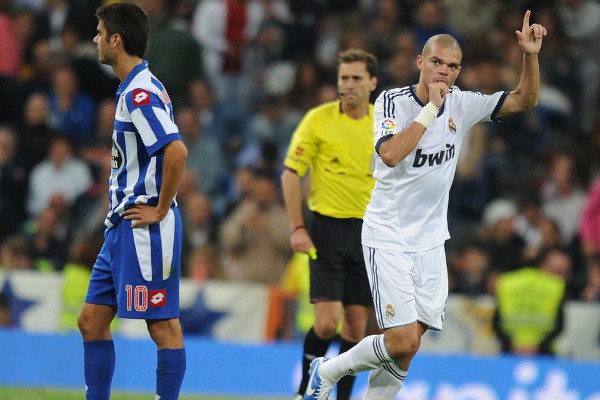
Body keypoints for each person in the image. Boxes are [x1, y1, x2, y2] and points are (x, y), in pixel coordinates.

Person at [304, 10, 547, 400]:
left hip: (431, 242)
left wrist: (530, 57)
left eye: (452, 67)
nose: (443, 72)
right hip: (387, 236)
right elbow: (390, 154)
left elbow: (525, 99)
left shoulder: (463, 105)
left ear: (459, 71)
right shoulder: (391, 102)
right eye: (436, 62)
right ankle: (327, 369)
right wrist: (430, 109)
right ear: (420, 62)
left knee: (407, 352)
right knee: (399, 342)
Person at [76, 4, 188, 400]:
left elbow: (175, 151)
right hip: (121, 225)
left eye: (99, 32)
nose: (95, 39)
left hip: (145, 226)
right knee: (91, 321)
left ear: (115, 40)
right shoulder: (134, 86)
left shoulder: (140, 93)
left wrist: (160, 208)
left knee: (162, 326)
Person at [281, 48, 379, 400]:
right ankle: (305, 391)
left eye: (356, 78)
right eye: (343, 78)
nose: (348, 85)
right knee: (326, 323)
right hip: (326, 229)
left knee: (355, 325)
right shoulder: (318, 120)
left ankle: (341, 398)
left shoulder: (383, 125)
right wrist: (297, 227)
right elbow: (291, 174)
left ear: (372, 83)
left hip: (369, 234)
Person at [492, 247, 571, 356]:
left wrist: (511, 344)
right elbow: (559, 326)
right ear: (543, 265)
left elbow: (496, 323)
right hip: (544, 354)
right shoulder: (556, 288)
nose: (562, 278)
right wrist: (539, 347)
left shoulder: (507, 282)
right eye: (557, 271)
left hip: (510, 352)